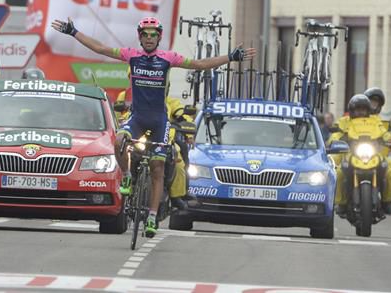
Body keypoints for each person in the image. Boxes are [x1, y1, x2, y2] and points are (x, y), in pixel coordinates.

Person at [52, 16, 255, 237]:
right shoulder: (131, 56)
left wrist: (232, 57)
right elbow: (100, 48)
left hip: (159, 121)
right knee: (118, 140)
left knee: (158, 167)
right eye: (145, 34)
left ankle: (151, 216)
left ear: (159, 37)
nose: (149, 38)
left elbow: (200, 65)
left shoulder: (168, 58)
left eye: (153, 35)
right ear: (140, 37)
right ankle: (127, 174)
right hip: (137, 117)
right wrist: (73, 32)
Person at [364, 87, 391, 214]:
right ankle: (341, 202)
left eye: (376, 102)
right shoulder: (355, 117)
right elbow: (345, 129)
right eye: (371, 101)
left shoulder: (379, 121)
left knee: (390, 167)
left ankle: (386, 201)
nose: (373, 105)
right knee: (340, 170)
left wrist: (389, 138)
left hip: (375, 155)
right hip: (357, 154)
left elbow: (384, 132)